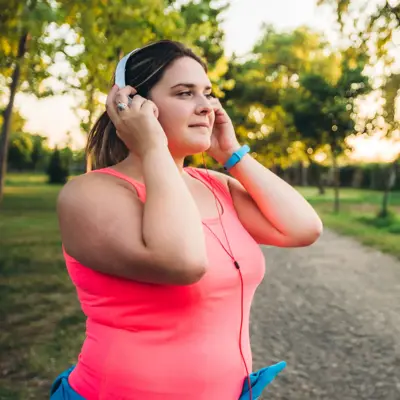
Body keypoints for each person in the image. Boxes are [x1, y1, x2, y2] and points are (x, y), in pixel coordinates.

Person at [51, 40, 323, 400]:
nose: (206, 107)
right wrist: (151, 148)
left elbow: (304, 228)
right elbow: (184, 262)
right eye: (184, 93)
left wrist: (231, 153)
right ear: (132, 105)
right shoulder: (89, 194)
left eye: (208, 94)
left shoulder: (215, 185)